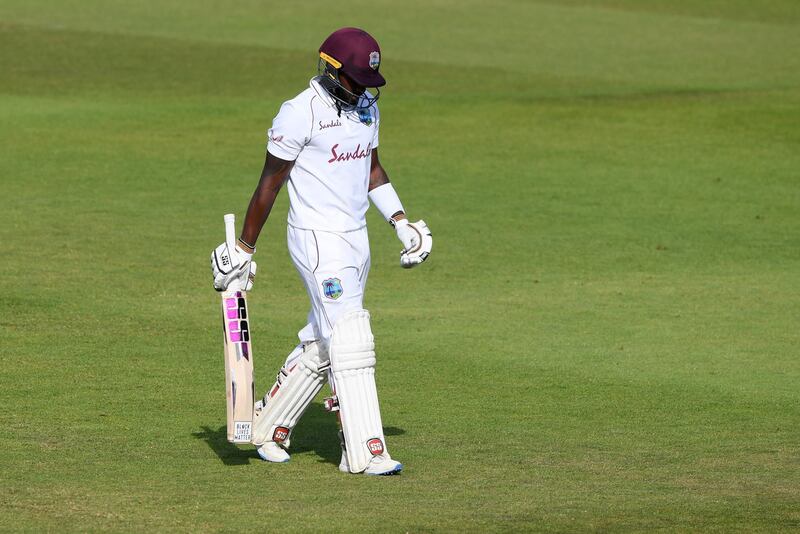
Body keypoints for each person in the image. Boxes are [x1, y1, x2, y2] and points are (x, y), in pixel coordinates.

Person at [210, 27, 432, 476]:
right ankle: (364, 451)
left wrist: (401, 221)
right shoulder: (299, 113)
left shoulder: (367, 108)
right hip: (316, 239)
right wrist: (243, 248)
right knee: (351, 337)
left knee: (325, 337)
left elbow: (372, 168)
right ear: (332, 72)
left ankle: (266, 425)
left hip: (356, 238)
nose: (364, 91)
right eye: (356, 81)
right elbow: (269, 183)